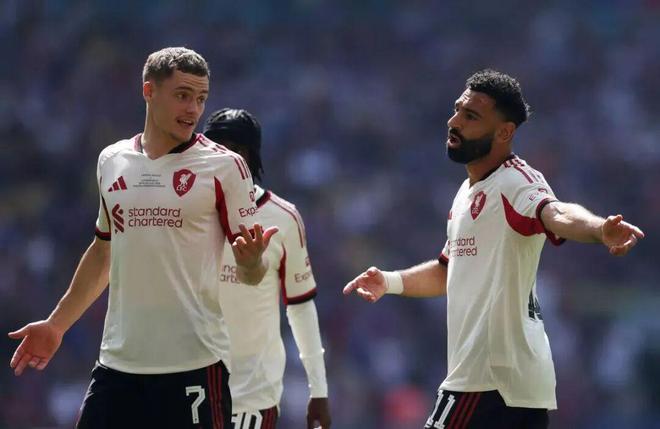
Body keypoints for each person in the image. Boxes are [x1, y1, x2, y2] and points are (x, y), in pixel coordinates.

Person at [343, 69, 645, 429]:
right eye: (457, 109)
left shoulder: (516, 181)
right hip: (513, 383)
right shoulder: (467, 193)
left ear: (504, 132)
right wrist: (390, 282)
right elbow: (447, 271)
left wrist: (598, 229)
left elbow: (556, 213)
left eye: (471, 116)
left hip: (488, 378)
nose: (454, 122)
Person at [8, 47, 277, 429]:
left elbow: (252, 272)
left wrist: (251, 263)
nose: (193, 109)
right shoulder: (112, 160)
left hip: (194, 366)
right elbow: (104, 251)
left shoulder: (226, 167)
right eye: (182, 95)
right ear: (149, 91)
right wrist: (56, 324)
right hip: (118, 368)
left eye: (201, 98)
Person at [203, 108, 332, 429]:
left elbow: (301, 305)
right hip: (188, 387)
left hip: (250, 396)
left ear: (250, 156)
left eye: (234, 149)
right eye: (215, 148)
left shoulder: (283, 218)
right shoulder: (187, 213)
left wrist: (318, 389)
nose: (223, 158)